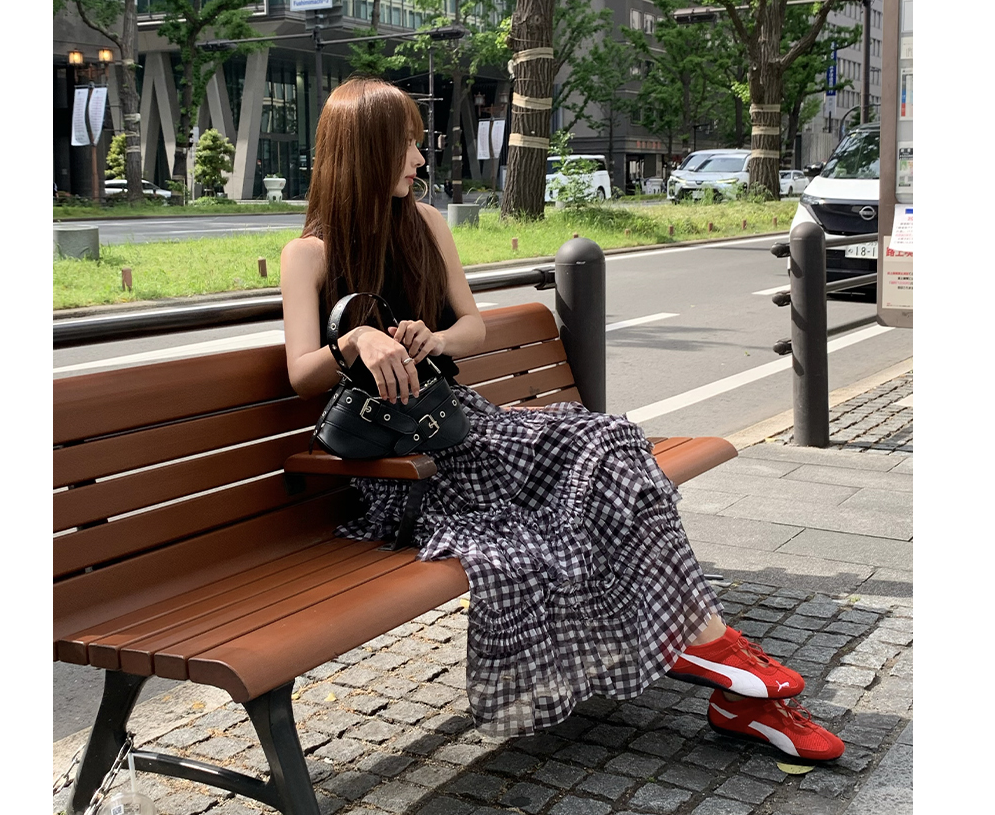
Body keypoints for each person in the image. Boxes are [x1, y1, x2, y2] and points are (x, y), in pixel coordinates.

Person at [280, 77, 844, 761]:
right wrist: (355, 340)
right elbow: (301, 372)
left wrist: (434, 337)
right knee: (609, 456)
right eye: (405, 145)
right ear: (364, 149)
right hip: (404, 466)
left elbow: (471, 328)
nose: (420, 160)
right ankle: (717, 658)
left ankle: (713, 654)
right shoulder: (309, 254)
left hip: (460, 423)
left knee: (613, 445)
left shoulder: (425, 225)